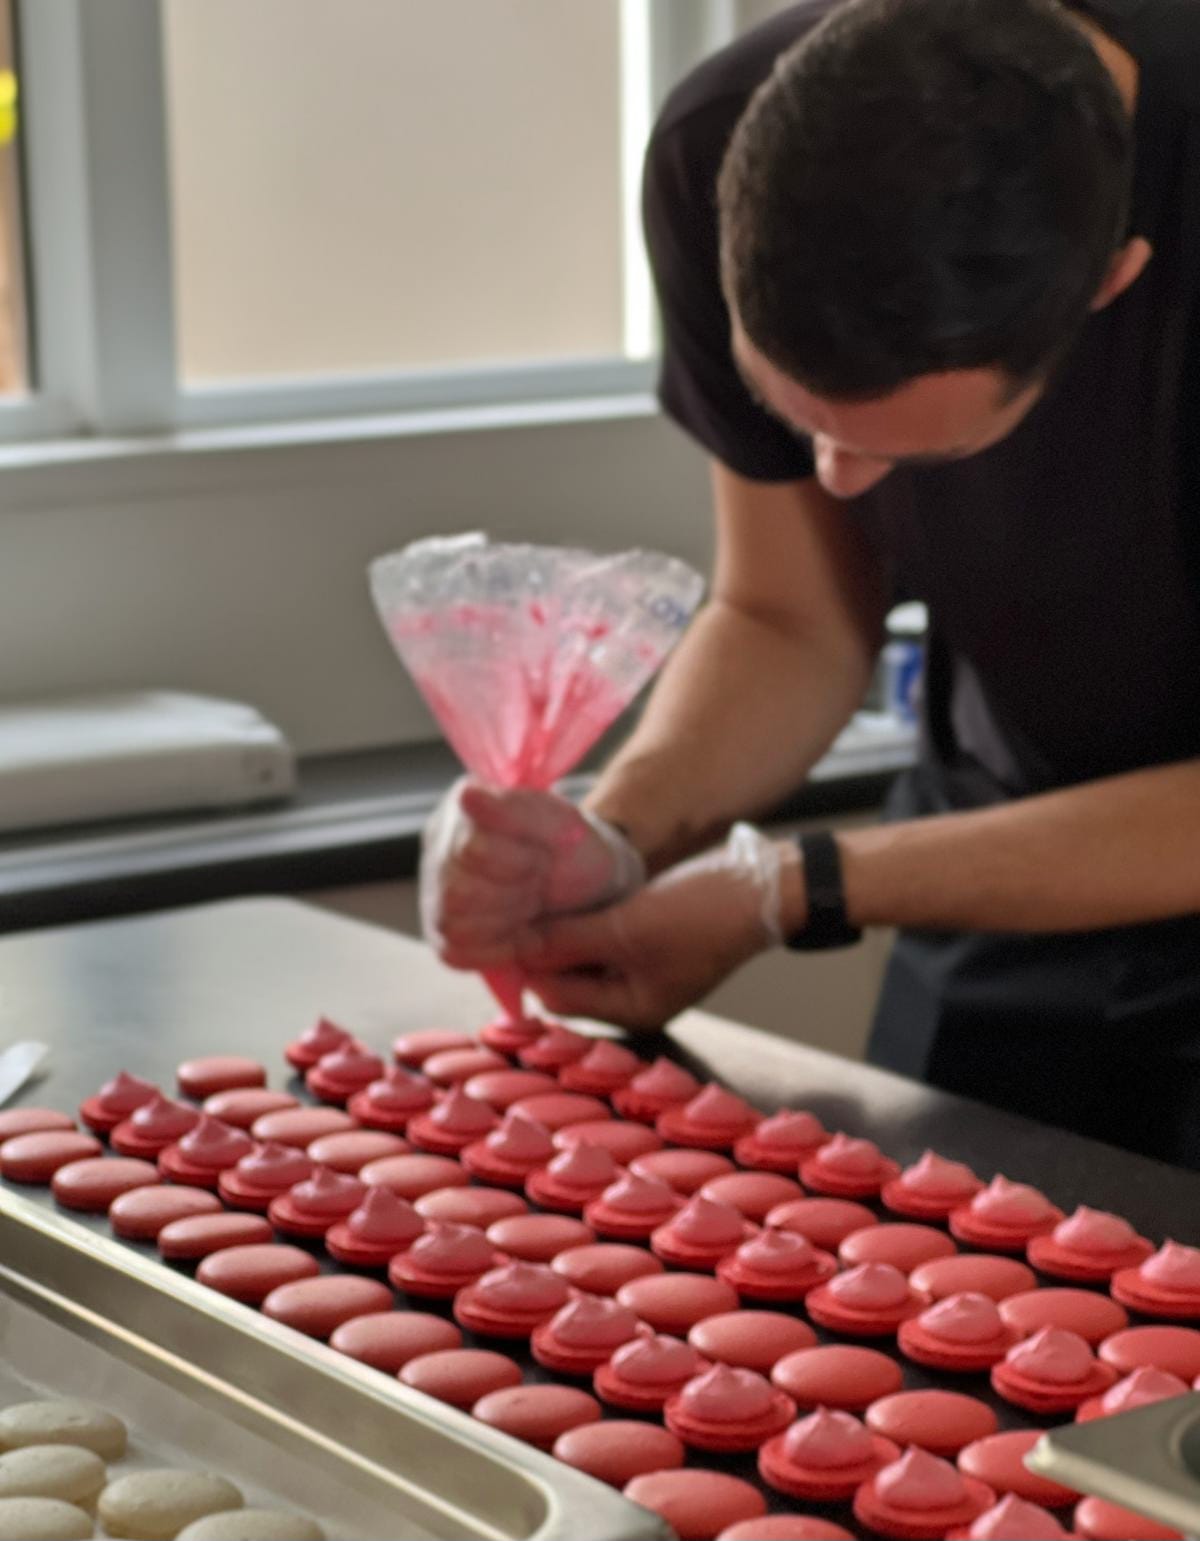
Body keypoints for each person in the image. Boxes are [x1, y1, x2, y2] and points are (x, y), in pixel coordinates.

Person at [421, 0, 1200, 1169]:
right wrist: (612, 838)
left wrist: (793, 887)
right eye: (797, 418)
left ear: (1112, 279)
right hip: (992, 867)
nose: (837, 478)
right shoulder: (719, 147)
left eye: (918, 453)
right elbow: (790, 617)